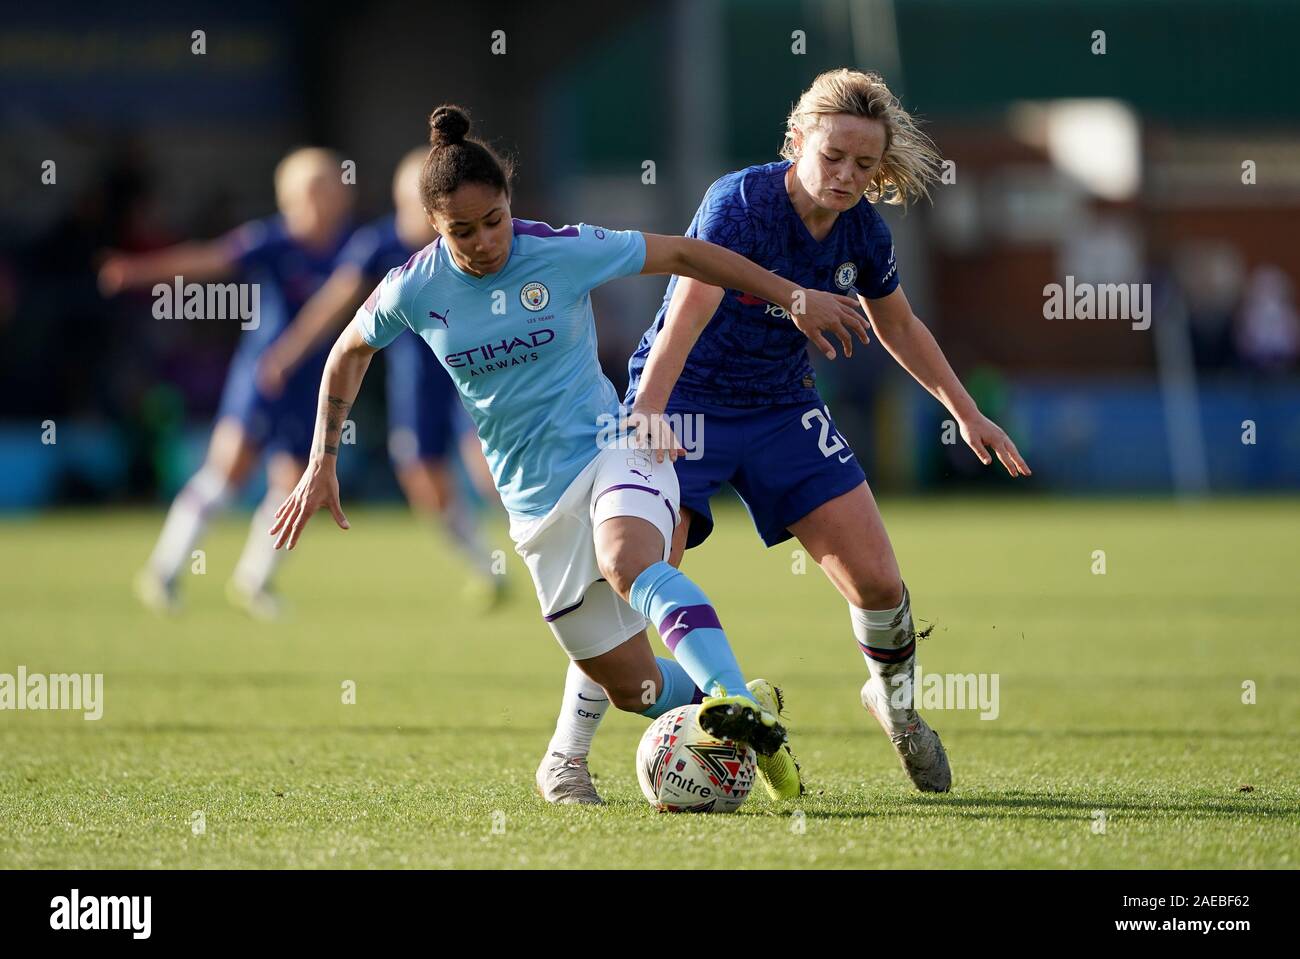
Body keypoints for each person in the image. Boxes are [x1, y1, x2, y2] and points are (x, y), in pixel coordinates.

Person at [269, 104, 868, 802]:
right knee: (634, 687)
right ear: (433, 225)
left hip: (616, 448)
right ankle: (727, 695)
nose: (485, 240)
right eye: (462, 231)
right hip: (534, 505)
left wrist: (793, 295)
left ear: (509, 201)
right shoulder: (414, 286)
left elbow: (683, 252)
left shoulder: (560, 249)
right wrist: (323, 459)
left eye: (493, 219)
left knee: (627, 559)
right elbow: (346, 351)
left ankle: (736, 699)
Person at [539, 68, 1032, 802]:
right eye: (833, 156)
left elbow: (896, 322)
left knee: (878, 579)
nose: (847, 176)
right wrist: (648, 408)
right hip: (685, 403)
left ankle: (896, 712)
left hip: (780, 410)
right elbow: (688, 311)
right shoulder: (740, 202)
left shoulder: (862, 228)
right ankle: (566, 758)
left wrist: (963, 409)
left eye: (865, 165)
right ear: (796, 138)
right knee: (638, 579)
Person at [99, 148, 355, 619]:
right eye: (317, 186)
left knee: (294, 483)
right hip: (266, 376)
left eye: (334, 184)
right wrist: (138, 271)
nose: (330, 194)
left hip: (316, 385)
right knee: (228, 472)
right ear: (291, 196)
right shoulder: (272, 241)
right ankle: (165, 570)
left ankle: (253, 580)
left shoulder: (351, 246)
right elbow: (209, 260)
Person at [256, 148, 503, 607]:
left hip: (477, 369)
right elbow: (334, 302)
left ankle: (542, 552)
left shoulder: (469, 239)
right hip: (417, 379)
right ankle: (487, 568)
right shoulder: (379, 245)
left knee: (486, 469)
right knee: (420, 477)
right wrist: (288, 352)